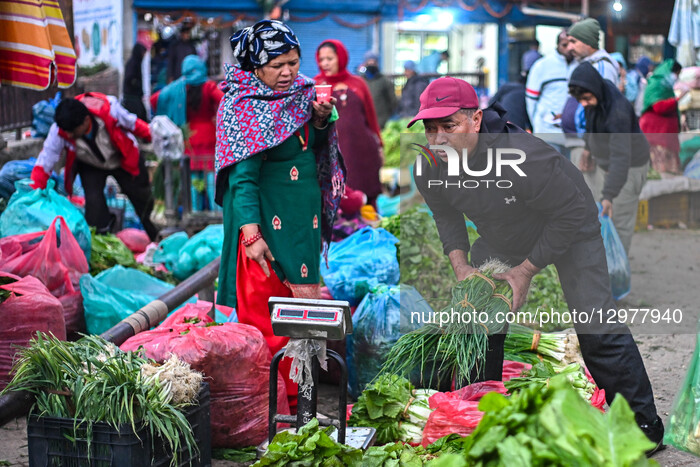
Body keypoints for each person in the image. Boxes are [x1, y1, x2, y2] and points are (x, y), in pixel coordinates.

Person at [409, 76, 664, 454]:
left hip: (570, 226)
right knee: (475, 310)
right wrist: (462, 268)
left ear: (476, 121)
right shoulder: (429, 165)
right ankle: (479, 412)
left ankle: (645, 426)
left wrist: (524, 272)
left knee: (596, 323)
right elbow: (446, 217)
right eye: (431, 129)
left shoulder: (524, 156)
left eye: (450, 126)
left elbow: (573, 214)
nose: (439, 138)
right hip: (505, 232)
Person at [215, 20, 345, 411]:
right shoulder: (243, 108)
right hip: (266, 230)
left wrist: (320, 119)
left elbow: (311, 146)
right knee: (270, 320)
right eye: (277, 65)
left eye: (293, 61)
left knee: (305, 316)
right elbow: (243, 180)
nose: (288, 72)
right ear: (256, 67)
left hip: (302, 224)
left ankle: (303, 400)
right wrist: (252, 235)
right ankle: (277, 407)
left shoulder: (301, 93)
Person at [30, 95, 158, 241]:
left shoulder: (110, 109)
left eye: (72, 131)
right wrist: (33, 193)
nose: (69, 135)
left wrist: (155, 137)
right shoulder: (61, 130)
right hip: (90, 164)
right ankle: (101, 240)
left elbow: (133, 124)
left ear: (86, 121)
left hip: (121, 157)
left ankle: (156, 237)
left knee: (142, 199)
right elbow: (46, 160)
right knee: (94, 202)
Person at [569, 62, 650, 256]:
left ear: (594, 90)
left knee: (618, 224)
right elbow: (590, 123)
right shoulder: (597, 93)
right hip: (608, 165)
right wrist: (588, 149)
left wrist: (609, 196)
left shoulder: (617, 112)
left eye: (586, 99)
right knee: (602, 219)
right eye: (580, 100)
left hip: (629, 167)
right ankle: (604, 274)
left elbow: (622, 157)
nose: (584, 104)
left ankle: (616, 279)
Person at [315, 40, 383, 206]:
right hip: (333, 153)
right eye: (321, 59)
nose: (324, 63)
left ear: (341, 58)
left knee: (367, 199)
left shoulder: (358, 83)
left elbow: (371, 117)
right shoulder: (315, 85)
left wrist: (380, 144)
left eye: (329, 59)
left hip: (362, 153)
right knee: (338, 200)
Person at [151, 55, 224, 210]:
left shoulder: (179, 88)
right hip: (210, 138)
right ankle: (216, 214)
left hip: (188, 139)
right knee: (211, 180)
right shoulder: (209, 86)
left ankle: (195, 213)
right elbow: (224, 100)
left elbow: (154, 99)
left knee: (193, 181)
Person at [526, 30, 576, 154]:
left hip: (574, 137)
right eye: (564, 45)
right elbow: (531, 101)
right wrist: (538, 126)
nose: (568, 49)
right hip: (547, 133)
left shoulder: (581, 66)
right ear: (557, 45)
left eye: (571, 44)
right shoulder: (542, 66)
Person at [640, 59, 688, 177]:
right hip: (656, 132)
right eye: (676, 74)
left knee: (668, 170)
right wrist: (678, 98)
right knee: (661, 169)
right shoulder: (657, 84)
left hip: (663, 132)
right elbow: (658, 107)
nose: (676, 77)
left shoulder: (665, 86)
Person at [567, 18, 619, 86]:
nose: (569, 48)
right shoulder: (579, 62)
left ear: (588, 42)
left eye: (573, 42)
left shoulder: (601, 68)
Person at [359, 51, 397, 129]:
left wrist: (386, 118)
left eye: (374, 62)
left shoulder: (384, 81)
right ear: (365, 63)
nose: (372, 64)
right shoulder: (361, 81)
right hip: (364, 123)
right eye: (369, 62)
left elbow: (393, 101)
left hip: (381, 123)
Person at [122, 43, 148, 121]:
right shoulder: (132, 64)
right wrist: (137, 84)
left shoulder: (136, 63)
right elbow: (129, 79)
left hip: (136, 97)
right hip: (132, 98)